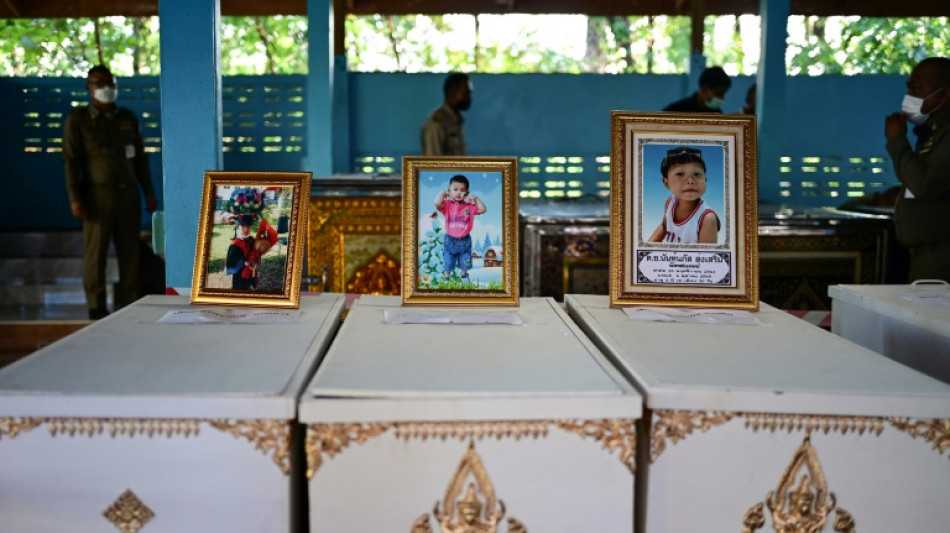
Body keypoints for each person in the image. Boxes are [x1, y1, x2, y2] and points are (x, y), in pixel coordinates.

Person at [63, 65, 157, 320]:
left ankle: (130, 303)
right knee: (96, 254)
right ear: (88, 87)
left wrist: (148, 192)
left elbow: (140, 160)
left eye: (110, 82)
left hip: (128, 196)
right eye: (99, 82)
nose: (106, 87)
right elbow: (71, 161)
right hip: (96, 196)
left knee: (131, 254)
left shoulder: (127, 118)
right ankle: (96, 305)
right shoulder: (79, 120)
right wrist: (74, 197)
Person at [884, 56, 950, 282]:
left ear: (944, 94)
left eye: (917, 88)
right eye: (908, 88)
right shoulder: (931, 133)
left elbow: (924, 185)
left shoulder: (947, 134)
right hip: (925, 256)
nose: (909, 96)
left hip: (941, 257)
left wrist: (897, 141)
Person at [648, 147, 720, 244]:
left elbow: (707, 257)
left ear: (705, 180)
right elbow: (664, 227)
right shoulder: (670, 203)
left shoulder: (707, 218)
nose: (690, 180)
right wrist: (647, 248)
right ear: (667, 183)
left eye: (697, 174)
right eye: (680, 174)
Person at [433, 174, 486, 280]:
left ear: (467, 193)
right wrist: (442, 193)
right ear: (450, 191)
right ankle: (446, 277)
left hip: (464, 240)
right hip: (450, 239)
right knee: (448, 260)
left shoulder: (469, 207)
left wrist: (475, 198)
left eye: (462, 190)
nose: (458, 192)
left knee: (465, 259)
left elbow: (482, 209)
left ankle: (464, 274)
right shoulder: (447, 205)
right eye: (455, 189)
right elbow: (436, 203)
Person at [421, 73, 472, 155]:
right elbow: (433, 164)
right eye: (466, 93)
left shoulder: (456, 121)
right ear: (452, 92)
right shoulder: (436, 123)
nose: (469, 98)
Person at [225, 213, 278, 290]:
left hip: (251, 272)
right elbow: (231, 264)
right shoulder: (235, 245)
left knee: (249, 288)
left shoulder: (251, 240)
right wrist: (244, 262)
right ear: (237, 227)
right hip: (240, 277)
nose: (246, 229)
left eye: (248, 226)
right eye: (243, 226)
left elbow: (257, 251)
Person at [663, 66, 732, 113]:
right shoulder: (675, 112)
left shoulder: (718, 115)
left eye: (724, 94)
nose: (722, 98)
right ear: (704, 89)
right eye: (719, 93)